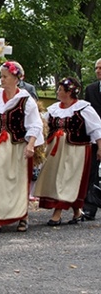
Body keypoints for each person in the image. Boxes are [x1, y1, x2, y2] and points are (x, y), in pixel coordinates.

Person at [0, 61, 43, 234]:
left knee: (16, 182)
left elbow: (35, 125)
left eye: (5, 76)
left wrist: (31, 145)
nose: (2, 80)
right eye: (1, 76)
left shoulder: (25, 100)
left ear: (16, 78)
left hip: (16, 146)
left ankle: (22, 216)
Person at [33, 77, 101, 225]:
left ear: (69, 92)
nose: (57, 92)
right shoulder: (54, 109)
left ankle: (57, 212)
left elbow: (96, 129)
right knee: (55, 178)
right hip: (56, 151)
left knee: (66, 179)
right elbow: (42, 125)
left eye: (60, 90)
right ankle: (77, 212)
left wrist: (100, 148)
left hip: (76, 151)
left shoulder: (84, 108)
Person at [82, 58, 101, 221]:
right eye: (96, 68)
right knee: (92, 171)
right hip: (95, 137)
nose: (98, 71)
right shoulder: (91, 89)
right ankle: (89, 207)